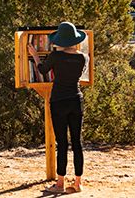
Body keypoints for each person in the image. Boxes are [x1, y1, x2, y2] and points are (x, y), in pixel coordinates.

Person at [27, 21, 87, 194]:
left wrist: (35, 55)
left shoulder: (55, 56)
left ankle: (59, 184)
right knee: (77, 142)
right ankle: (78, 183)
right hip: (76, 100)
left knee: (62, 143)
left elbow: (43, 70)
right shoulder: (82, 57)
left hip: (59, 101)